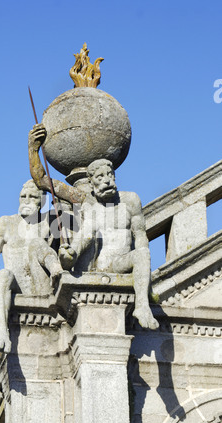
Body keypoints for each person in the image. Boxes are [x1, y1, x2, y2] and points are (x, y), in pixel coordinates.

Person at [28, 124, 159, 330]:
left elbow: (141, 237)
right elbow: (42, 180)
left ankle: (142, 306)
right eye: (100, 177)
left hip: (124, 262)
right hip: (104, 265)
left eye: (109, 175)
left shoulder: (131, 201)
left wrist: (146, 279)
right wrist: (33, 150)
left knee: (142, 254)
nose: (106, 181)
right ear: (91, 182)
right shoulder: (87, 202)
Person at [0, 179, 62, 353]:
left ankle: (55, 267)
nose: (26, 200)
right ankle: (2, 332)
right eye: (23, 196)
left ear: (41, 201)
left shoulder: (50, 220)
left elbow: (73, 218)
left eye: (32, 197)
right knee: (3, 274)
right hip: (14, 284)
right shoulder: (6, 223)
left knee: (37, 244)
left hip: (40, 283)